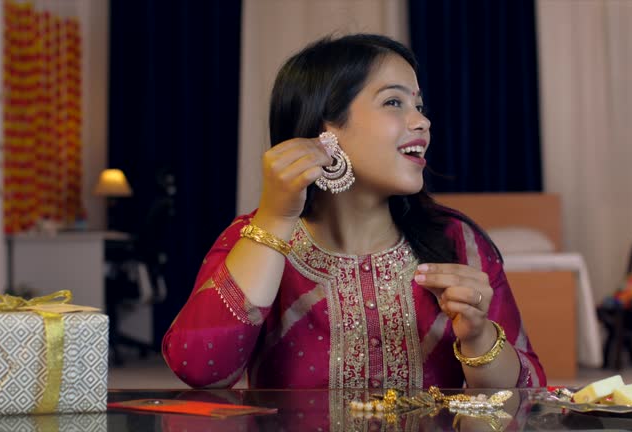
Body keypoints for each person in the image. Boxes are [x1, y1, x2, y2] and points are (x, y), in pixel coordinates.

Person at [162, 33, 546, 389]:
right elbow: (200, 369)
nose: (422, 121)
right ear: (326, 127)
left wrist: (479, 337)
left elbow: (528, 395)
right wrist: (275, 219)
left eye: (419, 105)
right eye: (394, 102)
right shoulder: (255, 236)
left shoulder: (459, 241)